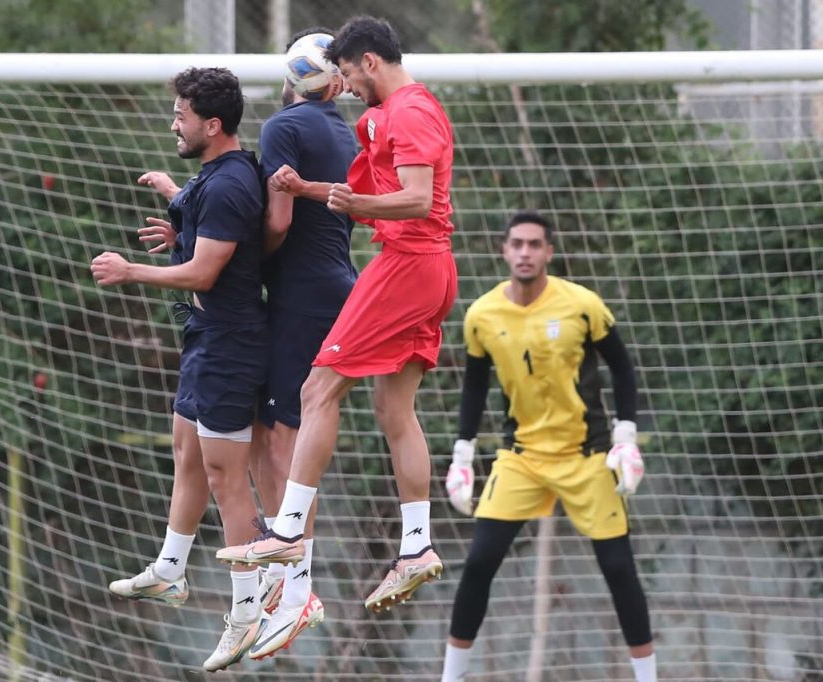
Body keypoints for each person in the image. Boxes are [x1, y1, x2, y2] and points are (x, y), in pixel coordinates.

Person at [217, 13, 458, 629]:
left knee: (316, 388)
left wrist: (353, 201)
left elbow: (415, 198)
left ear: (370, 62)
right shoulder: (392, 113)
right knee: (393, 411)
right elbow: (387, 194)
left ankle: (288, 530)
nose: (346, 85)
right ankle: (415, 547)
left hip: (406, 266)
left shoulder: (409, 110)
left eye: (349, 73)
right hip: (427, 268)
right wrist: (311, 190)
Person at [92, 66, 268, 672]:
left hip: (230, 344)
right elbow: (206, 242)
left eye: (180, 115)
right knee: (186, 450)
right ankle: (170, 569)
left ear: (211, 125)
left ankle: (248, 612)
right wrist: (178, 212)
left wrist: (131, 271)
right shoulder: (213, 177)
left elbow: (206, 275)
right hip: (205, 338)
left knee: (226, 478)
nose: (174, 123)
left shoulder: (229, 183)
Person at [439, 211, 655, 682]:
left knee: (619, 568)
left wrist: (626, 437)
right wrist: (463, 455)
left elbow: (622, 368)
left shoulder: (582, 305)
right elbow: (475, 387)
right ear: (503, 249)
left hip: (586, 456)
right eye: (517, 244)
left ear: (549, 253)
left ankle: (649, 678)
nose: (525, 252)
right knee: (477, 564)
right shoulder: (482, 315)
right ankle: (450, 677)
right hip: (522, 459)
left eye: (535, 244)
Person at [245, 28, 358, 660]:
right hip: (322, 285)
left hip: (306, 291)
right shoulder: (338, 127)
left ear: (293, 72)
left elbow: (280, 220)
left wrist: (233, 263)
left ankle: (297, 586)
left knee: (285, 427)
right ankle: (280, 572)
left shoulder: (285, 125)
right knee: (269, 425)